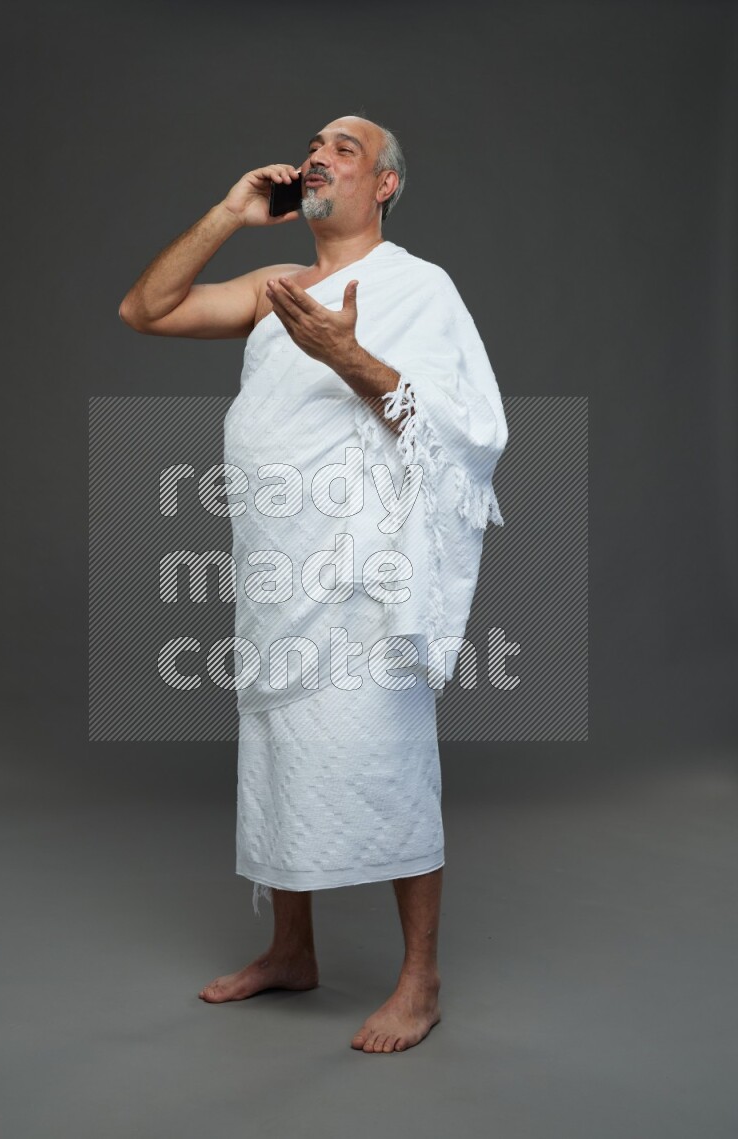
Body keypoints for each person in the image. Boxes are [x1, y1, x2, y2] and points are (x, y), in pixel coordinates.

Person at [118, 114, 508, 1054]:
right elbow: (148, 309)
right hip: (275, 561)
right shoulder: (275, 286)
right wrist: (228, 212)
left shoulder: (422, 288)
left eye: (345, 146)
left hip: (366, 575)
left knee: (390, 754)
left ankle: (421, 977)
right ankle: (292, 947)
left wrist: (353, 360)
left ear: (385, 185)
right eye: (315, 146)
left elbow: (469, 426)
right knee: (280, 744)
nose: (319, 155)